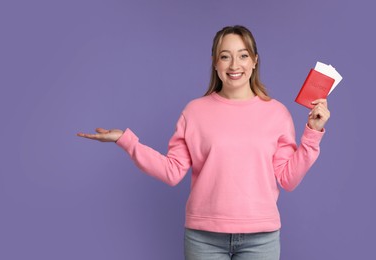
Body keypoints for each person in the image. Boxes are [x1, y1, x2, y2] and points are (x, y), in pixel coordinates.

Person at [77, 25, 330, 260]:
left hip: (261, 238)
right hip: (204, 238)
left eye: (243, 55)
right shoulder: (195, 111)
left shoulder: (277, 113)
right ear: (215, 63)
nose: (234, 64)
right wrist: (125, 140)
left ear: (254, 61)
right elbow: (172, 171)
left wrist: (312, 132)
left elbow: (288, 178)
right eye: (225, 56)